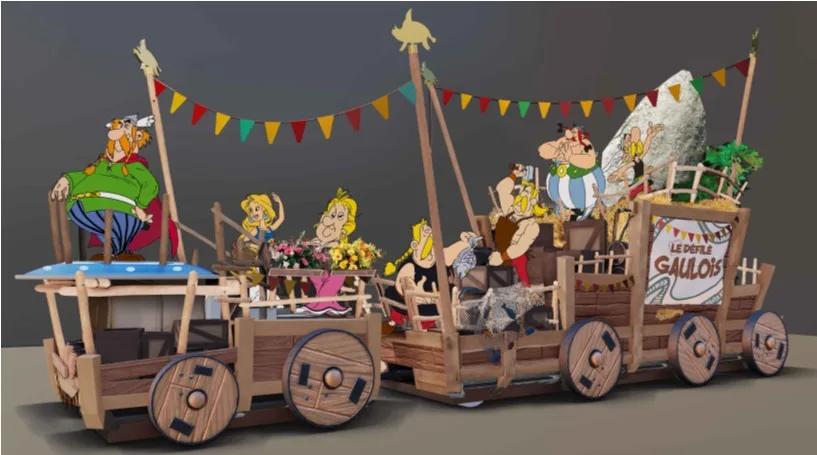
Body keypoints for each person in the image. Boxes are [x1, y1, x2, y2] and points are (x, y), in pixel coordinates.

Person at [49, 114, 178, 261]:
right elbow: (84, 175)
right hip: (86, 207)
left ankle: (119, 253)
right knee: (104, 230)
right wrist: (67, 179)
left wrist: (140, 206)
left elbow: (150, 185)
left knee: (119, 229)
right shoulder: (101, 165)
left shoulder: (134, 167)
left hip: (123, 210)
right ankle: (112, 253)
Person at [383, 218, 477, 329]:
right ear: (415, 245)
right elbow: (413, 298)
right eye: (426, 234)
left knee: (462, 296)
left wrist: (467, 240)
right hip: (417, 307)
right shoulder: (409, 268)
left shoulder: (439, 257)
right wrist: (432, 297)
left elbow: (456, 249)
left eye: (430, 233)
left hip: (437, 302)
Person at [488, 165, 547, 287]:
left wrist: (502, 257)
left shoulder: (532, 226)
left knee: (521, 290)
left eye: (528, 196)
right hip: (499, 258)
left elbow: (520, 246)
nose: (522, 198)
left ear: (533, 203)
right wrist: (514, 175)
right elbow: (502, 189)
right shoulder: (510, 210)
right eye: (522, 193)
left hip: (515, 261)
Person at [538, 122, 606, 220]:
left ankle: (587, 209)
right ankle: (562, 210)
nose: (572, 134)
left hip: (584, 176)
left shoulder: (586, 144)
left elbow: (590, 160)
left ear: (582, 135)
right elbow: (544, 150)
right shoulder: (565, 141)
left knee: (585, 193)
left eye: (575, 132)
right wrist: (556, 152)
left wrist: (570, 157)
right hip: (561, 173)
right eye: (572, 132)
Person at [609, 122, 665, 198]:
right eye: (628, 140)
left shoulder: (637, 158)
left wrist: (649, 136)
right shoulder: (629, 161)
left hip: (641, 184)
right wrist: (618, 173)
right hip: (635, 186)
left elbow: (645, 147)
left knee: (646, 191)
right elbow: (625, 167)